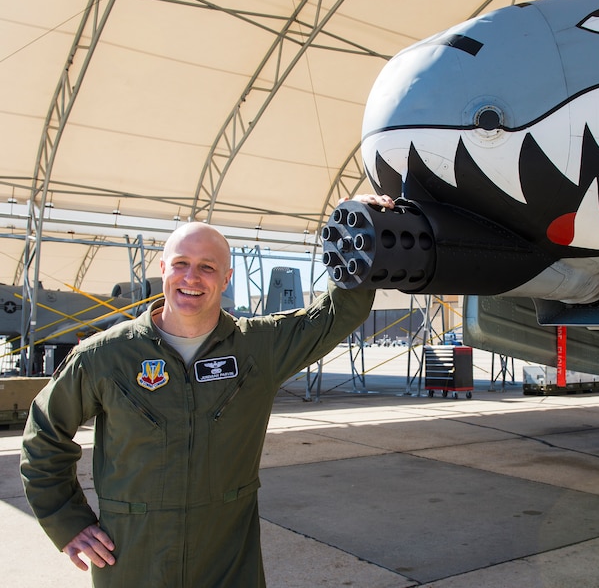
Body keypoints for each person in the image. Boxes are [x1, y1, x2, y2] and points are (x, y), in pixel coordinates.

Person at [20, 193, 395, 587]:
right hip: (132, 563)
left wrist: (365, 228)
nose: (191, 278)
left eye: (207, 267)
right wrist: (67, 522)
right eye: (180, 264)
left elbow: (335, 315)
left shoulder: (257, 349)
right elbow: (44, 434)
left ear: (227, 278)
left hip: (227, 564)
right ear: (163, 268)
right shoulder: (106, 355)